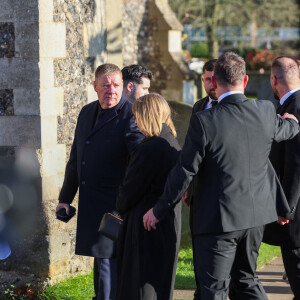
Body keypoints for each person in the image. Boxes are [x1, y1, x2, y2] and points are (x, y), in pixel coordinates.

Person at [143, 52, 300, 300]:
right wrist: (292, 121)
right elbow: (288, 129)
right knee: (247, 280)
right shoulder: (265, 111)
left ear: (214, 83)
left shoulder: (205, 121)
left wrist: (159, 209)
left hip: (218, 221)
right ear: (246, 81)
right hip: (255, 219)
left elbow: (185, 169)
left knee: (214, 290)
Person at [56, 63, 143, 300]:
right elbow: (76, 159)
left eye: (116, 85)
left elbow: (140, 162)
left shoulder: (132, 115)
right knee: (100, 264)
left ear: (124, 87)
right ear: (95, 86)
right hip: (91, 205)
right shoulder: (86, 112)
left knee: (107, 266)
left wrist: (126, 201)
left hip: (116, 207)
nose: (111, 91)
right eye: (105, 86)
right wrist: (65, 198)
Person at [115, 93, 181, 300]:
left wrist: (119, 203)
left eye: (136, 116)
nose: (134, 121)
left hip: (144, 225)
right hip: (165, 221)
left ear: (147, 115)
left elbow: (129, 191)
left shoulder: (150, 148)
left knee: (141, 286)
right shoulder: (171, 141)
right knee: (159, 282)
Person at [263, 56, 300, 299]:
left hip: (295, 212)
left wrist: (285, 207)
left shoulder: (292, 109)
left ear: (274, 80)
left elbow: (296, 163)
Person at [183, 58, 217, 300]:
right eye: (206, 79)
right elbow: (191, 150)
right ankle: (201, 291)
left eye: (213, 79)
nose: (209, 84)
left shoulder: (235, 106)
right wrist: (187, 185)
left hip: (223, 193)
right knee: (199, 249)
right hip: (198, 193)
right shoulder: (199, 106)